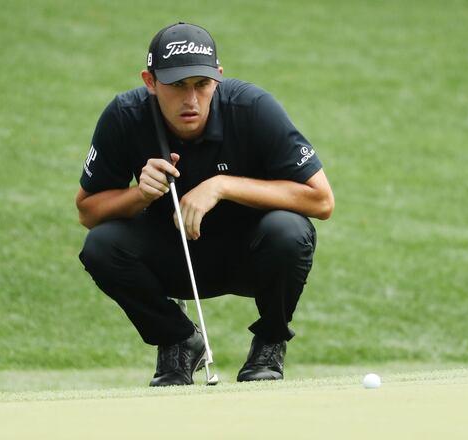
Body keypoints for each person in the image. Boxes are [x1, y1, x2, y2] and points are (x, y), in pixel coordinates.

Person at [76, 22, 334, 386]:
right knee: (101, 247)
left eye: (202, 84)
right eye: (177, 86)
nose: (191, 99)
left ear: (219, 78)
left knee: (289, 230)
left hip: (251, 256)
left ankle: (270, 343)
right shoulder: (125, 117)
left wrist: (222, 186)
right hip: (173, 259)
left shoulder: (252, 108)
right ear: (150, 82)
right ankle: (178, 341)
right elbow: (88, 212)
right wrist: (140, 194)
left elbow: (321, 200)